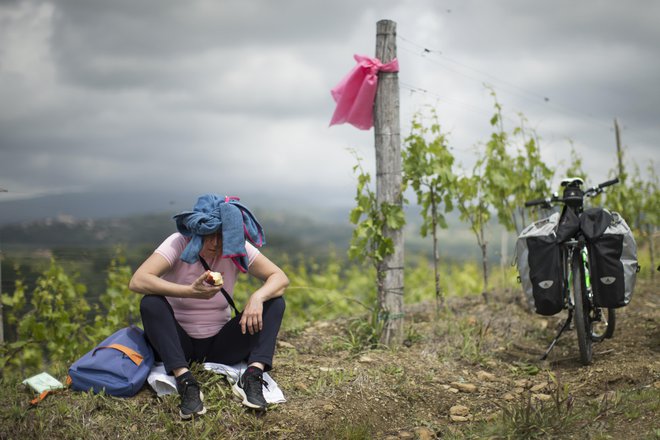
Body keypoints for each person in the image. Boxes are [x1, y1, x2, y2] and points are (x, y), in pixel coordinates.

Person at [129, 194, 288, 418]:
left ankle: (253, 375)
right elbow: (138, 280)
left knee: (275, 302)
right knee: (151, 302)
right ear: (198, 230)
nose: (215, 243)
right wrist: (189, 292)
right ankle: (185, 379)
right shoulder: (178, 241)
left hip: (221, 345)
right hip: (179, 343)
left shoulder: (235, 247)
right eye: (209, 235)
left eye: (221, 236)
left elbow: (279, 277)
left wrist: (257, 297)